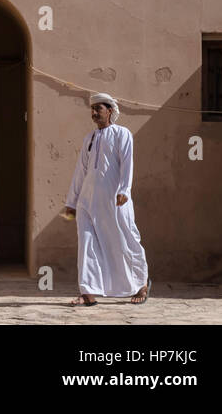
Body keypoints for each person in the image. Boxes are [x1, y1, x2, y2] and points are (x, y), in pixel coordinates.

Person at [63, 93, 150, 306]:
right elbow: (80, 171)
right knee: (87, 243)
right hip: (87, 201)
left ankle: (141, 284)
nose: (93, 113)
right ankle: (88, 293)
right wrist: (72, 202)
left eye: (98, 109)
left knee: (125, 239)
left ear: (109, 110)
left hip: (114, 199)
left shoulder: (123, 134)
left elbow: (127, 164)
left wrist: (124, 190)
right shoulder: (89, 139)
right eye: (91, 109)